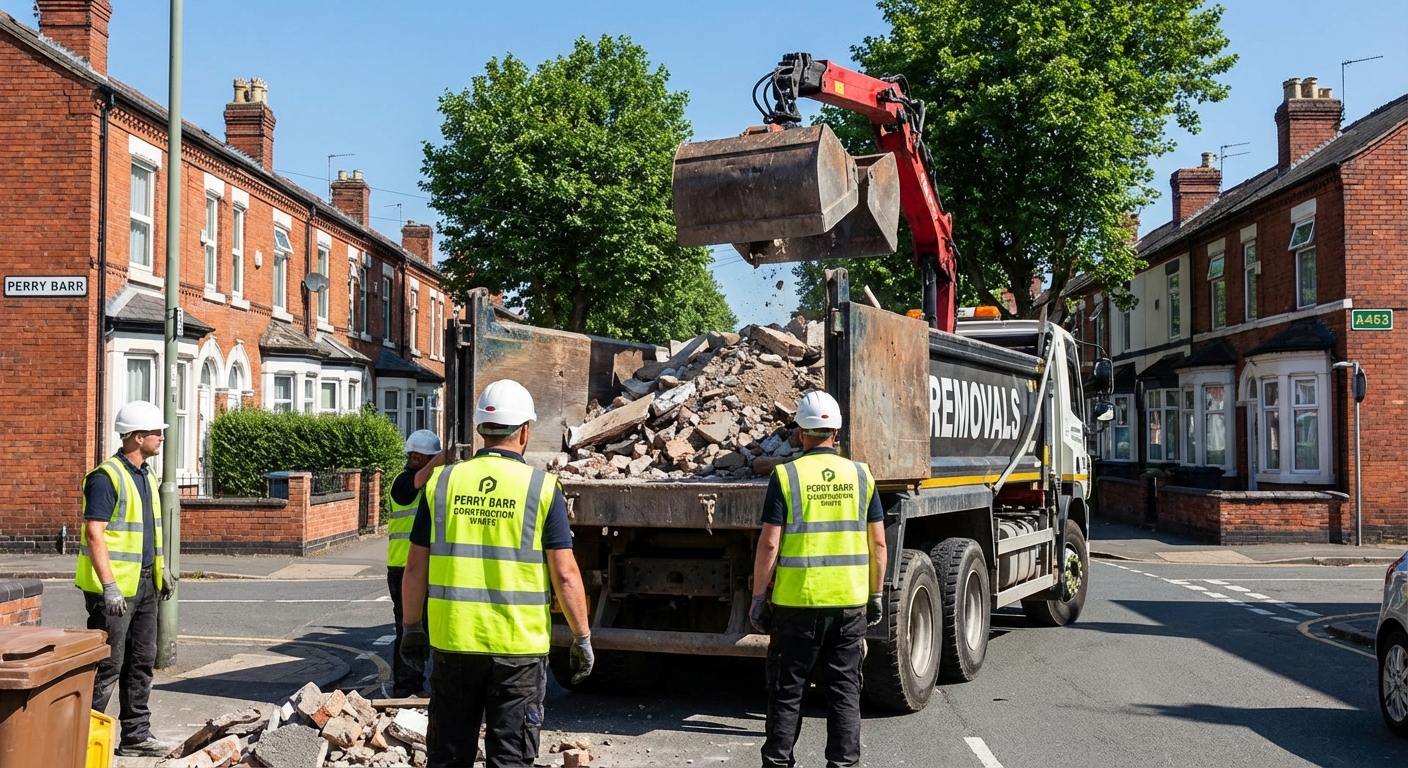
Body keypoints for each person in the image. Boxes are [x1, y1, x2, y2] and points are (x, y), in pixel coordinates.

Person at [399, 379, 594, 768]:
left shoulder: (443, 483)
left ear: (481, 430)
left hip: (454, 642)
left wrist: (412, 627)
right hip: (517, 651)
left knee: (448, 757)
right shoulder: (541, 487)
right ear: (524, 431)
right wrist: (581, 636)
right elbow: (566, 575)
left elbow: (415, 565)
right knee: (510, 760)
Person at [750, 391, 888, 768]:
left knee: (787, 690)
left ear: (800, 432)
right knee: (844, 691)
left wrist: (758, 597)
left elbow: (770, 542)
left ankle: (778, 763)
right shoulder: (861, 475)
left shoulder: (787, 475)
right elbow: (878, 542)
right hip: (848, 604)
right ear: (836, 431)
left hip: (797, 604)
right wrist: (875, 594)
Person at [77, 400, 177, 757]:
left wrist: (160, 568)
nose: (161, 438)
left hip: (145, 584)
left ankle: (135, 735)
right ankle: (83, 739)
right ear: (137, 437)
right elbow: (95, 533)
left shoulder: (146, 474)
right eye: (156, 433)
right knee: (108, 666)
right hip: (115, 590)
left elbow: (148, 529)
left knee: (141, 662)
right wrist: (108, 587)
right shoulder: (106, 477)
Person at [385, 428, 446, 697]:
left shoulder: (431, 484)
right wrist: (446, 456)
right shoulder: (403, 482)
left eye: (420, 456)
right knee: (408, 629)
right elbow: (421, 479)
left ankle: (417, 683)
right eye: (414, 455)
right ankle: (405, 687)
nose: (415, 459)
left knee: (429, 628)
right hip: (402, 568)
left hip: (425, 567)